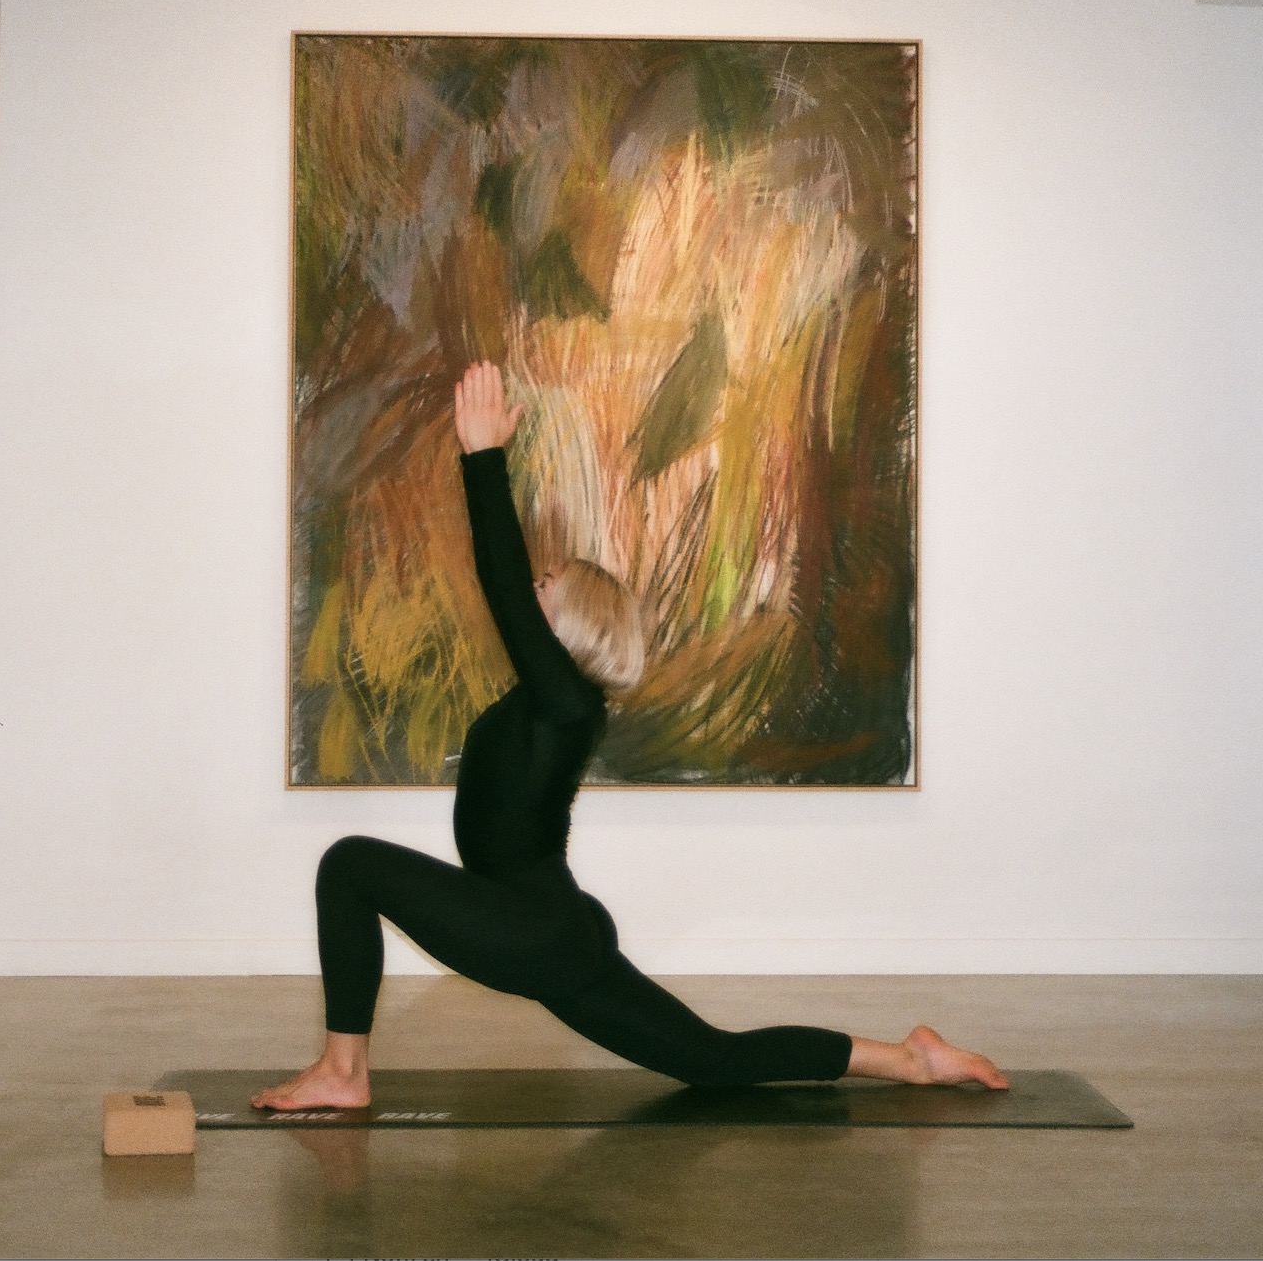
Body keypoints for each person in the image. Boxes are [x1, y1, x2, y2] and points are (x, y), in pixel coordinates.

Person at [254, 362, 1007, 1110]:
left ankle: (344, 1073)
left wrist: (482, 455)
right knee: (710, 1059)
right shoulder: (557, 704)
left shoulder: (566, 704)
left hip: (532, 927)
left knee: (349, 864)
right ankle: (910, 1060)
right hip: (546, 924)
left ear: (571, 621)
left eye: (547, 588)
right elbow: (511, 601)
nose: (533, 591)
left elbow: (500, 578)